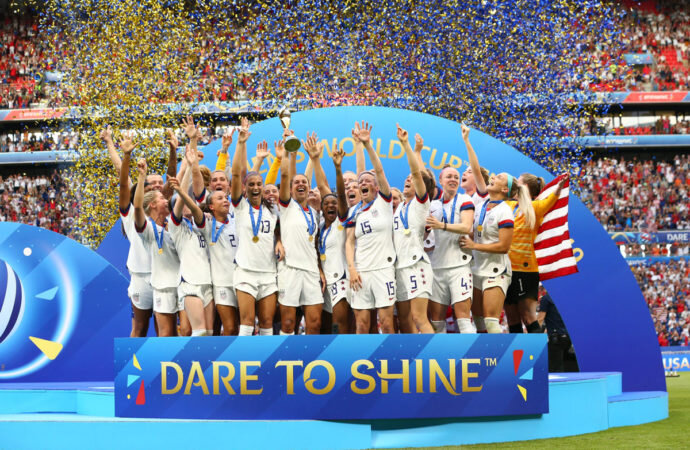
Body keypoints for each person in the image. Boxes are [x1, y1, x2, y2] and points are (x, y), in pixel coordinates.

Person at [461, 170, 532, 334]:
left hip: (496, 270)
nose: (493, 177)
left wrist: (473, 245)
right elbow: (475, 234)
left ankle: (500, 352)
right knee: (478, 321)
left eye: (499, 177)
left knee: (491, 322)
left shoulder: (505, 211)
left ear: (505, 189)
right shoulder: (480, 206)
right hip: (477, 268)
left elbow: (503, 247)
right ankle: (483, 351)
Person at [346, 121, 396, 334]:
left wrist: (366, 145)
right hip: (361, 273)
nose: (363, 183)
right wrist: (352, 268)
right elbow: (349, 242)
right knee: (362, 325)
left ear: (376, 187)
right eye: (360, 182)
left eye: (368, 181)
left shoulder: (384, 203)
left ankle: (392, 355)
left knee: (386, 323)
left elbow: (379, 171)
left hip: (383, 270)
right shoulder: (354, 211)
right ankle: (361, 355)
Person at [230, 117, 279, 336]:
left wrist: (279, 241)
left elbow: (280, 230)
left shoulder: (272, 209)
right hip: (245, 273)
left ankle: (267, 358)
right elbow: (236, 173)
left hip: (268, 273)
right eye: (251, 184)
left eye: (259, 183)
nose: (256, 187)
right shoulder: (240, 206)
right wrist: (241, 143)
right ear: (245, 188)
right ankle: (244, 357)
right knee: (247, 323)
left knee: (267, 323)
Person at [505, 174, 566, 334]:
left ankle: (540, 351)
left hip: (524, 270)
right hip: (505, 269)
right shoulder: (509, 205)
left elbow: (553, 198)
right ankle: (516, 350)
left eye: (518, 182)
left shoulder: (535, 207)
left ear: (525, 188)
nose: (515, 185)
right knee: (511, 318)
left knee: (528, 317)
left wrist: (558, 187)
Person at [277, 133, 324, 335]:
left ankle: (311, 354)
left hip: (311, 271)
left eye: (304, 182)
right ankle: (284, 354)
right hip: (290, 269)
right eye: (296, 183)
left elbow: (314, 243)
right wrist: (288, 152)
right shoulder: (287, 206)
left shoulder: (314, 212)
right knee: (288, 323)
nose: (301, 184)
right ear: (290, 189)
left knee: (314, 323)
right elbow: (286, 176)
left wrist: (319, 269)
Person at [170, 133, 215, 337]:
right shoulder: (176, 227)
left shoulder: (201, 223)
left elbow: (197, 193)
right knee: (200, 333)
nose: (190, 204)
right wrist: (188, 167)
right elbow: (182, 201)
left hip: (208, 282)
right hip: (190, 284)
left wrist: (192, 159)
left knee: (211, 333)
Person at [392, 125, 435, 334]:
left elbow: (417, 174)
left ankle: (435, 353)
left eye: (412, 178)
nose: (408, 179)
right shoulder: (399, 207)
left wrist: (406, 145)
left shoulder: (421, 203)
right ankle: (412, 354)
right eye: (406, 178)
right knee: (405, 321)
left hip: (416, 264)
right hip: (399, 267)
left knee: (419, 318)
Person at [426, 164, 476, 333]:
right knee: (437, 322)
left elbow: (466, 227)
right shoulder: (433, 205)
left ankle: (470, 349)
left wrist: (441, 225)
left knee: (463, 320)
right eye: (449, 177)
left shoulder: (464, 200)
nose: (453, 179)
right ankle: (439, 350)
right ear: (440, 181)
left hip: (459, 266)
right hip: (437, 267)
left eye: (456, 177)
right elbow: (424, 233)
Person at [133, 158, 180, 337]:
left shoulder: (175, 224)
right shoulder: (147, 230)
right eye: (161, 198)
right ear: (152, 204)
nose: (166, 200)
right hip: (163, 286)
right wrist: (141, 177)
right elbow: (138, 207)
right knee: (167, 334)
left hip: (183, 284)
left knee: (186, 331)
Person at [310, 139, 351, 334]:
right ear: (322, 208)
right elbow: (321, 186)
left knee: (339, 326)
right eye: (326, 204)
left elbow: (340, 194)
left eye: (334, 203)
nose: (331, 205)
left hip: (340, 279)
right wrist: (315, 159)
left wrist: (338, 168)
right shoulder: (318, 227)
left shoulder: (341, 222)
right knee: (325, 329)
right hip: (323, 282)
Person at [115, 132, 153, 337]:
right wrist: (126, 155)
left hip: (165, 276)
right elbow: (123, 184)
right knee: (139, 329)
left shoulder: (163, 213)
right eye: (144, 190)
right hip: (141, 277)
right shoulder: (130, 214)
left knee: (172, 331)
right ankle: (132, 359)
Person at [538, 290, 578, 372]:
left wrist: (531, 334)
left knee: (554, 368)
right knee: (568, 365)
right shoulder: (565, 298)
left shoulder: (546, 299)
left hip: (556, 337)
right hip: (568, 336)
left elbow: (540, 319)